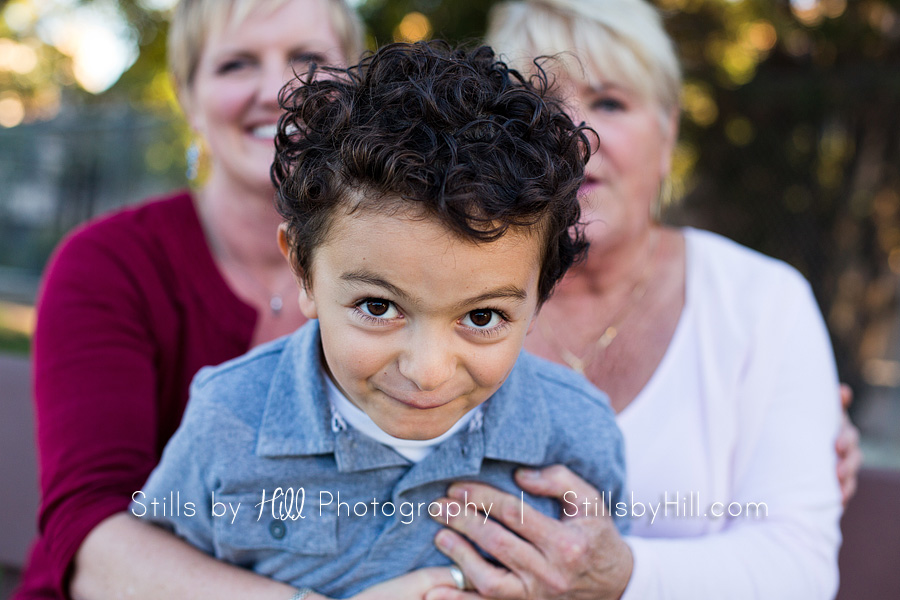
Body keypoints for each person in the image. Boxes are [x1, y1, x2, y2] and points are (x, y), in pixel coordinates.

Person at [131, 40, 627, 598]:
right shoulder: (229, 418)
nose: (427, 371)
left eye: (483, 316)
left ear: (540, 298)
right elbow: (149, 575)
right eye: (378, 307)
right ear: (302, 269)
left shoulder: (578, 432)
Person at [418, 1, 851, 598]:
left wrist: (622, 576)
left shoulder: (763, 304)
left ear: (668, 131)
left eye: (610, 103)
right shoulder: (437, 296)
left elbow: (798, 568)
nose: (573, 134)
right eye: (540, 106)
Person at [12, 1, 409, 598]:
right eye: (235, 64)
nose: (279, 90)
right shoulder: (110, 265)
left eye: (307, 58)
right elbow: (92, 536)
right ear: (189, 97)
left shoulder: (409, 271)